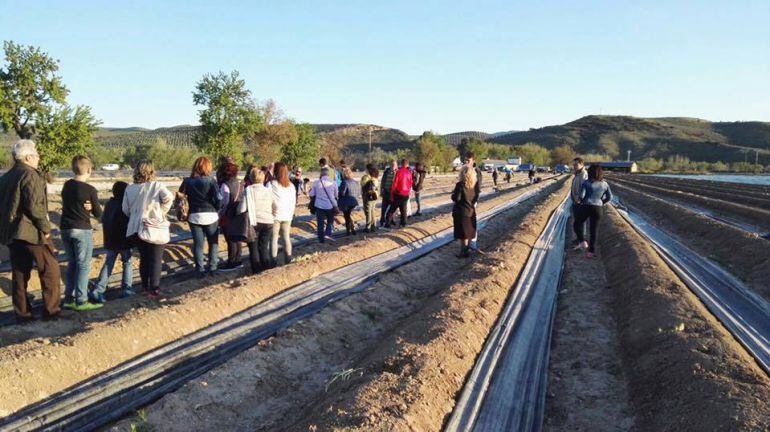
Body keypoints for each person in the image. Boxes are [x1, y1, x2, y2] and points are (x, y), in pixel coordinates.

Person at [0, 140, 61, 322]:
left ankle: (23, 314)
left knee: (19, 273)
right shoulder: (30, 175)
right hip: (31, 232)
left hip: (12, 233)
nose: (38, 157)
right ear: (28, 157)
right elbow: (35, 207)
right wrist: (46, 229)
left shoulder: (6, 177)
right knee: (51, 270)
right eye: (36, 154)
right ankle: (51, 312)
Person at [58, 156, 104, 311]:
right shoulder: (90, 190)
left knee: (72, 263)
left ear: (73, 169)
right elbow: (98, 213)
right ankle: (81, 300)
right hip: (82, 229)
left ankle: (69, 298)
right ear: (89, 170)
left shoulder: (66, 185)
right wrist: (91, 208)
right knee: (83, 265)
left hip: (65, 228)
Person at [123, 160, 173, 298]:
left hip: (136, 229)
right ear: (152, 171)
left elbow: (125, 209)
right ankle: (154, 289)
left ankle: (144, 287)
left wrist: (135, 215)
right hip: (154, 227)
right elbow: (169, 198)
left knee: (144, 258)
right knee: (156, 259)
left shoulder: (130, 188)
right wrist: (161, 212)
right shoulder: (157, 186)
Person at [180, 157, 222, 277]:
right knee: (213, 242)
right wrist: (217, 209)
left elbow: (180, 197)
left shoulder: (187, 181)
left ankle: (200, 270)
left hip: (194, 215)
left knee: (198, 244)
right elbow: (218, 199)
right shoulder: (211, 181)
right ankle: (213, 268)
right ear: (207, 167)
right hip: (211, 215)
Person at [92, 181, 133, 300]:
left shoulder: (109, 204)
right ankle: (127, 288)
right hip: (123, 241)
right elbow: (126, 223)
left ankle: (98, 289)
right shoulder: (124, 205)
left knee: (109, 262)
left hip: (110, 240)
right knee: (127, 262)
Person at [575, 165, 613, 259]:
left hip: (586, 206)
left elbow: (582, 196)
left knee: (577, 224)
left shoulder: (586, 183)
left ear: (590, 172)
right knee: (594, 230)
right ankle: (591, 252)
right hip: (598, 208)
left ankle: (582, 241)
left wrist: (580, 199)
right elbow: (610, 197)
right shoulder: (604, 184)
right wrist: (601, 202)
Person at [244, 168, 274, 271]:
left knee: (253, 248)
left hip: (254, 222)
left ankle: (256, 271)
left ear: (251, 178)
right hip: (268, 222)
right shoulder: (268, 190)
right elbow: (275, 206)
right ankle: (266, 270)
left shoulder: (248, 190)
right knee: (264, 247)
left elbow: (242, 208)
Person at [218, 161, 244, 271]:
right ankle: (238, 260)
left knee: (230, 240)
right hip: (238, 214)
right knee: (237, 239)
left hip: (228, 215)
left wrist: (220, 214)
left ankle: (231, 262)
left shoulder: (225, 184)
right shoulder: (239, 183)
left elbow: (225, 202)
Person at [270, 162, 296, 265]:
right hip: (287, 215)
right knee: (286, 238)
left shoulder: (272, 184)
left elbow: (268, 198)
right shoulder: (291, 186)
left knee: (274, 239)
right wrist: (291, 212)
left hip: (275, 215)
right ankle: (288, 260)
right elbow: (293, 201)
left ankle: (273, 262)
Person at [452, 166, 479, 258]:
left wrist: (452, 195)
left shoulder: (460, 185)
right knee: (468, 233)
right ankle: (466, 251)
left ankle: (463, 252)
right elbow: (475, 199)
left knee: (463, 234)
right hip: (471, 211)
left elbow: (457, 198)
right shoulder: (475, 186)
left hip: (461, 212)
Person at [309, 167, 338, 243]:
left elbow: (311, 194)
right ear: (328, 174)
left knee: (320, 223)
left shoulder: (316, 182)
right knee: (330, 221)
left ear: (321, 174)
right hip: (330, 205)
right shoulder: (333, 182)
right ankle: (328, 233)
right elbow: (336, 195)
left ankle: (321, 240)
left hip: (319, 205)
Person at [386, 159, 413, 228]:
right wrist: (408, 192)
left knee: (391, 210)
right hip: (405, 194)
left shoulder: (399, 172)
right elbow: (410, 183)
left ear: (401, 164)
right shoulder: (409, 172)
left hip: (398, 194)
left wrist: (392, 192)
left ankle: (387, 224)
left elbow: (395, 183)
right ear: (407, 164)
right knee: (403, 210)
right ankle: (403, 224)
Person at [465, 152, 483, 250]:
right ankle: (466, 243)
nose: (466, 162)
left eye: (468, 160)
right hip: (465, 199)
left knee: (471, 220)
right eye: (465, 160)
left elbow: (478, 188)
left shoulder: (477, 171)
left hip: (472, 200)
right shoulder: (465, 170)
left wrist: (473, 201)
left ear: (473, 161)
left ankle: (472, 244)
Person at [570, 157, 589, 246]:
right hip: (576, 201)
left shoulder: (583, 174)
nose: (574, 166)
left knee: (580, 222)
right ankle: (579, 239)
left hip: (580, 202)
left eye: (576, 164)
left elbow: (584, 188)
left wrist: (579, 199)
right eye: (573, 164)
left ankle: (581, 240)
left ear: (582, 165)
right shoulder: (577, 174)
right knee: (578, 221)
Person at [338, 167, 362, 235]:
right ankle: (352, 228)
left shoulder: (344, 182)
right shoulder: (356, 182)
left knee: (347, 216)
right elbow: (359, 192)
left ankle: (349, 230)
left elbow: (342, 193)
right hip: (354, 201)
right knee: (348, 215)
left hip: (346, 202)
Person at [360, 164, 380, 233]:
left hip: (368, 196)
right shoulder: (375, 177)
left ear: (368, 169)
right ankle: (373, 226)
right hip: (374, 196)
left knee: (368, 212)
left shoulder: (366, 177)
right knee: (372, 211)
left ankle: (367, 227)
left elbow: (362, 185)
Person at [379, 160, 396, 227]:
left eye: (394, 164)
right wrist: (381, 191)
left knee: (392, 208)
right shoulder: (386, 172)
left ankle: (391, 220)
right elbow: (382, 181)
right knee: (384, 208)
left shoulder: (397, 172)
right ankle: (382, 220)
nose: (393, 166)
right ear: (390, 165)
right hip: (386, 192)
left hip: (393, 193)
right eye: (392, 164)